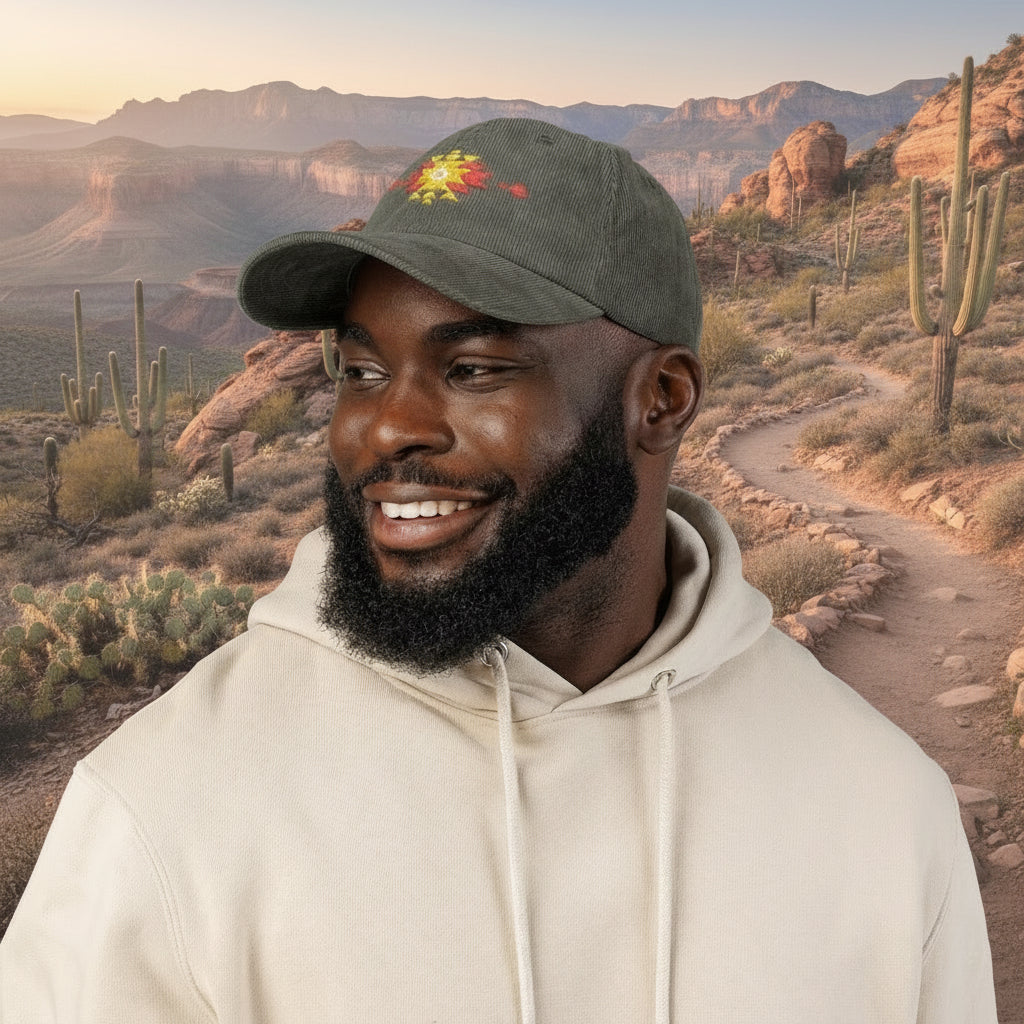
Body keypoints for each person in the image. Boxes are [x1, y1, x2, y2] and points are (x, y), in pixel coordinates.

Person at [0, 117, 995, 1023]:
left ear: (660, 399)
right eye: (359, 370)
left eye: (473, 368)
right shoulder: (168, 808)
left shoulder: (875, 809)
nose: (384, 426)